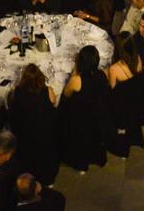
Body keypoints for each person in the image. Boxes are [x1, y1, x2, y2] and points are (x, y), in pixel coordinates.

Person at [59, 45, 113, 173]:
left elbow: (66, 95)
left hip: (81, 121)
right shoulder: (101, 75)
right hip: (98, 119)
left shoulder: (77, 80)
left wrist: (75, 72)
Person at [7, 65, 60, 187]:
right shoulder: (48, 91)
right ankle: (47, 181)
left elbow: (13, 113)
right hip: (44, 134)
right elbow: (54, 103)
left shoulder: (17, 93)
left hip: (25, 135)